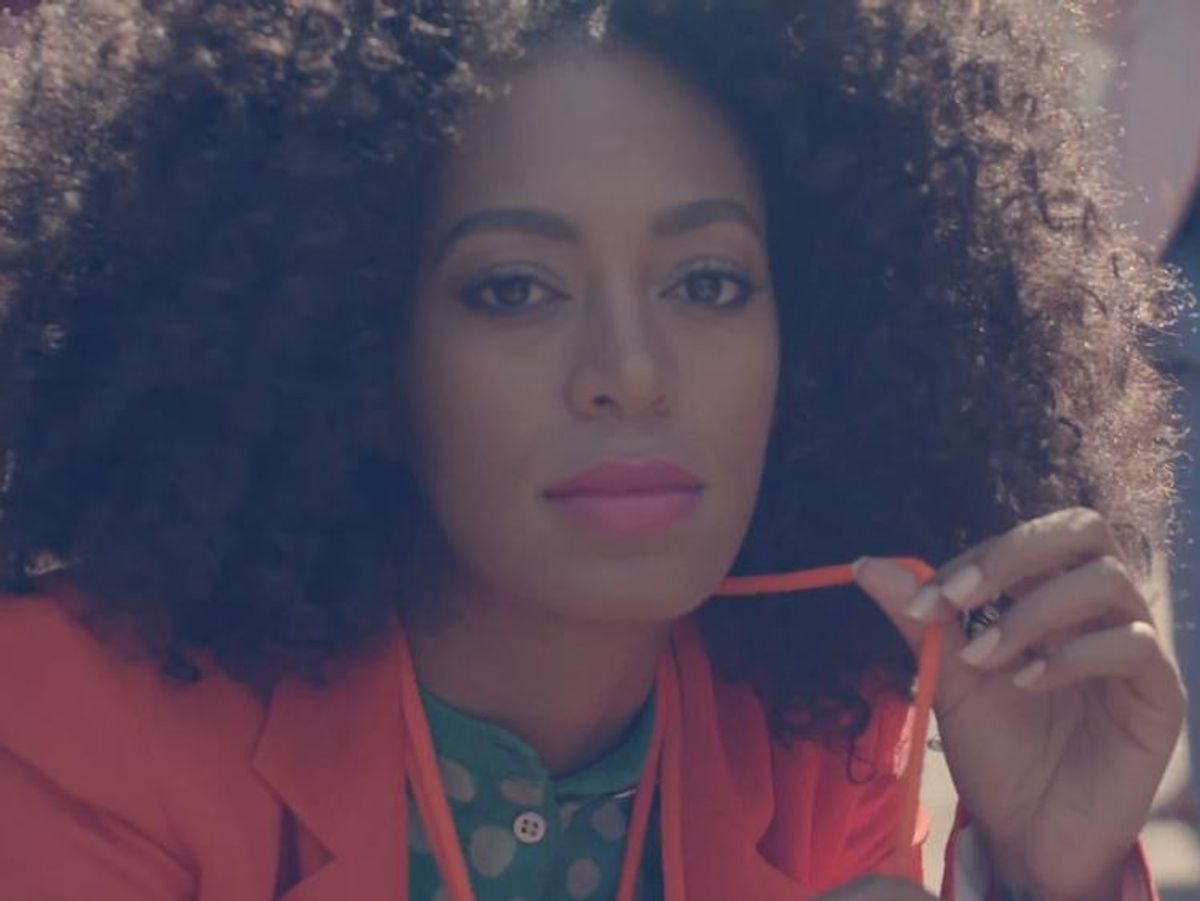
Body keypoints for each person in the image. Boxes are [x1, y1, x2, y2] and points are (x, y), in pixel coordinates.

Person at [0, 1, 1186, 899]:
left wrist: (1047, 876)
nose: (634, 370)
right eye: (514, 288)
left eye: (708, 282)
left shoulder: (820, 728)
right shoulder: (73, 720)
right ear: (349, 342)